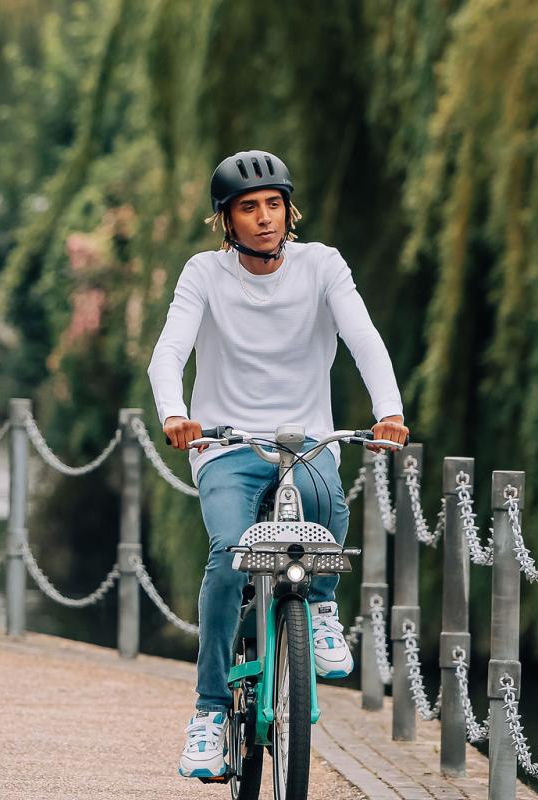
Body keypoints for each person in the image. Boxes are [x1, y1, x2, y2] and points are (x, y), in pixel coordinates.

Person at [145, 150, 410, 779]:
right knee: (231, 550)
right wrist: (174, 413)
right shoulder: (203, 275)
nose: (263, 218)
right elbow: (169, 350)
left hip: (306, 440)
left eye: (273, 204)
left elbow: (362, 337)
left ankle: (319, 606)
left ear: (288, 210)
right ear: (226, 221)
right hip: (227, 444)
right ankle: (210, 713)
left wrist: (388, 411)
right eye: (247, 208)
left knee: (327, 510)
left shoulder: (322, 265)